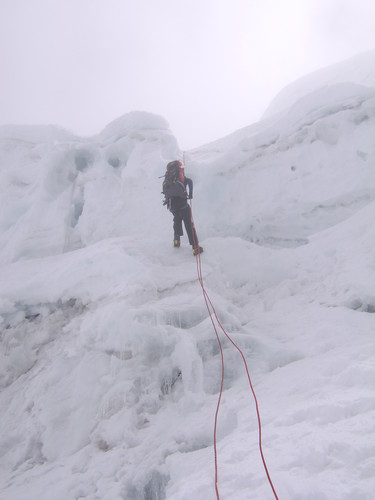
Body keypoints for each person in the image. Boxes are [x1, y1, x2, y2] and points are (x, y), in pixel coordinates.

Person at [162, 160, 203, 255]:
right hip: (183, 205)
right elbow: (190, 181)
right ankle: (195, 247)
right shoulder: (181, 177)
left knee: (177, 219)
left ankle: (176, 241)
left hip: (172, 205)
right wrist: (190, 194)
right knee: (189, 224)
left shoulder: (168, 178)